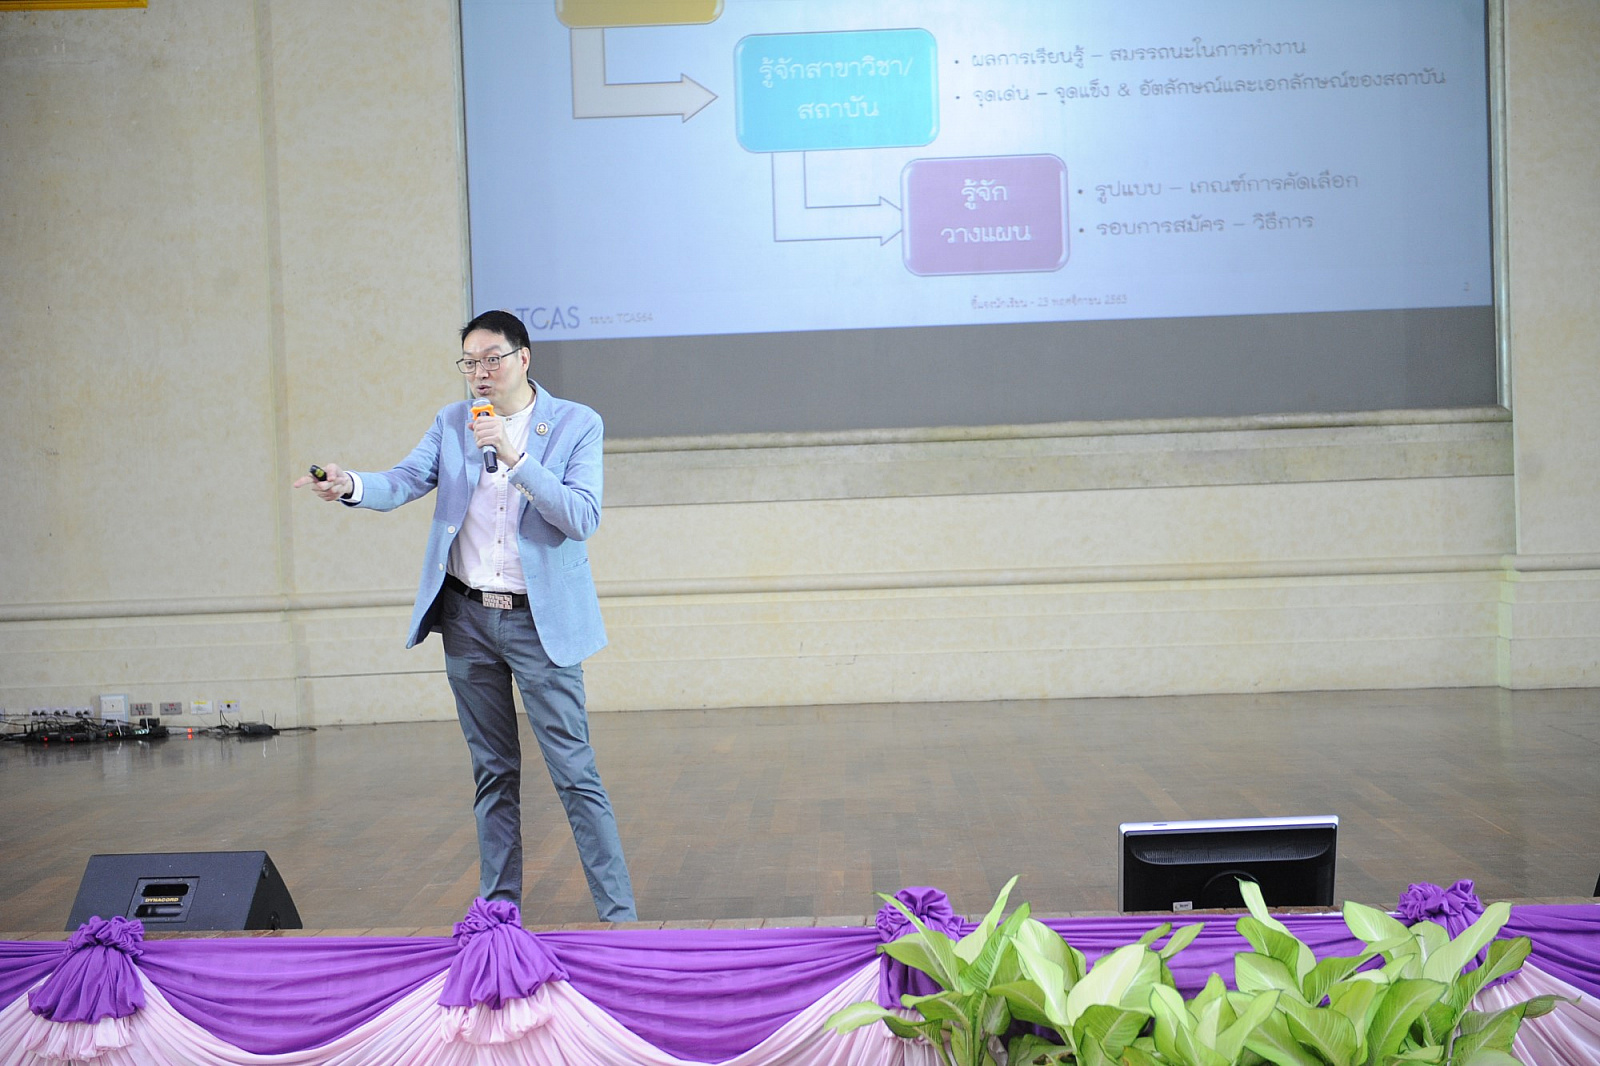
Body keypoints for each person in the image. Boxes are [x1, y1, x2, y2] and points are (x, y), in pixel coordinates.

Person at [293, 309, 635, 922]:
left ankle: (621, 921)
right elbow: (404, 480)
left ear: (523, 358)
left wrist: (515, 457)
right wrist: (350, 486)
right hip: (469, 620)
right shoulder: (453, 423)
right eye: (469, 362)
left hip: (540, 625)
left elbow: (581, 517)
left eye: (492, 359)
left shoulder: (577, 424)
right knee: (493, 774)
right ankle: (498, 918)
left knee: (574, 773)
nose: (480, 372)